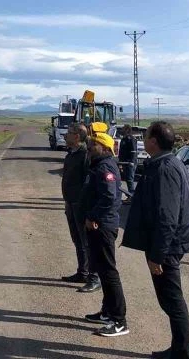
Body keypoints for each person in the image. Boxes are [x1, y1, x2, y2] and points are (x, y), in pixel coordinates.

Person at [123, 122, 189, 359]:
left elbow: (167, 217)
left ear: (153, 141)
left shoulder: (165, 167)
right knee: (169, 299)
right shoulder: (166, 163)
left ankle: (183, 352)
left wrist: (157, 255)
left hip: (167, 245)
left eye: (145, 136)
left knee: (172, 300)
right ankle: (179, 348)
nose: (143, 140)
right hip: (167, 243)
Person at [81, 125, 129, 337]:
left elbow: (109, 198)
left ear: (106, 148)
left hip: (103, 226)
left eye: (94, 145)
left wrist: (92, 217)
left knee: (109, 273)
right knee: (102, 269)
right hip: (99, 225)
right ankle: (107, 312)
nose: (90, 148)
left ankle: (119, 321)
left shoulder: (105, 168)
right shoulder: (99, 164)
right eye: (90, 144)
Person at [60, 123, 100, 292]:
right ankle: (82, 272)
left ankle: (94, 277)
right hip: (71, 203)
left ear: (77, 136)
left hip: (80, 205)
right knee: (78, 240)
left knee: (87, 242)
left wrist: (87, 209)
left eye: (69, 133)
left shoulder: (85, 155)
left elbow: (89, 183)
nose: (65, 135)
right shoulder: (71, 154)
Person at [119, 125, 138, 198]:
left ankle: (131, 196)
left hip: (130, 163)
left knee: (130, 179)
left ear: (127, 130)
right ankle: (129, 195)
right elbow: (121, 152)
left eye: (123, 129)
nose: (122, 130)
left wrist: (132, 162)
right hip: (124, 162)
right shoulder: (124, 139)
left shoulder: (131, 139)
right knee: (127, 179)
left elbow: (133, 151)